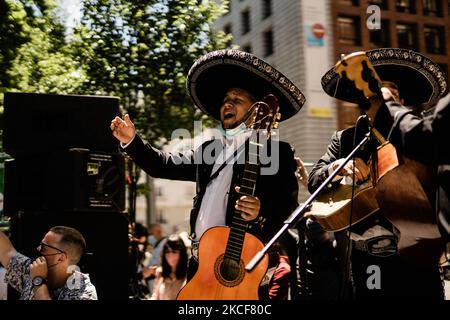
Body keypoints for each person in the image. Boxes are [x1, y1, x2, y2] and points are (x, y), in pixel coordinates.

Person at [111, 49, 305, 295]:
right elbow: (163, 165)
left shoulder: (278, 152)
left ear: (255, 110)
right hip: (201, 264)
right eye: (225, 99)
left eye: (237, 99)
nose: (227, 103)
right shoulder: (211, 150)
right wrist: (132, 141)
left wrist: (260, 210)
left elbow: (288, 209)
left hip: (242, 269)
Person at [311, 48, 447, 300]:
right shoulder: (345, 139)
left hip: (418, 258)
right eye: (375, 93)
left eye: (390, 92)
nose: (382, 98)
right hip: (368, 259)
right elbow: (314, 180)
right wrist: (337, 167)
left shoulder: (416, 137)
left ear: (400, 102)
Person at [0, 226, 97, 300]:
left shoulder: (84, 293)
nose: (38, 249)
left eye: (44, 247)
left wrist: (38, 281)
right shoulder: (34, 270)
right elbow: (7, 252)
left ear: (61, 257)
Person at [150, 234, 188, 300]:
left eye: (174, 252)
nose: (170, 255)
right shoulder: (160, 273)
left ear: (181, 254)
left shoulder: (188, 276)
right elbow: (155, 297)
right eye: (167, 251)